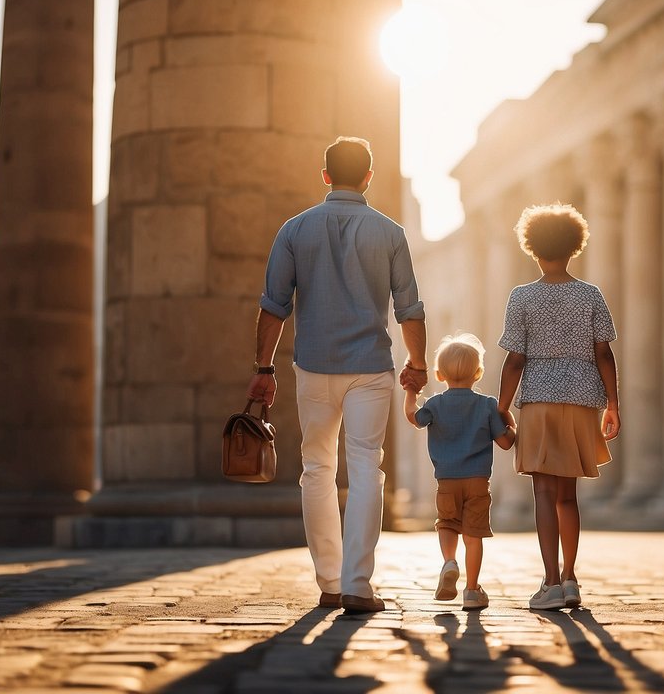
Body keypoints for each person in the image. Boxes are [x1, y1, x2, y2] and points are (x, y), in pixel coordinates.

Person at [247, 136, 428, 615]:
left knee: (316, 468)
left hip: (313, 366)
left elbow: (273, 308)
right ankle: (357, 584)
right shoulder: (390, 233)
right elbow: (410, 310)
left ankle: (328, 581)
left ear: (324, 175)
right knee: (367, 466)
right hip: (370, 367)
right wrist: (419, 363)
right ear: (369, 177)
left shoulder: (294, 229)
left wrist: (263, 369)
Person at [496, 203, 621, 611]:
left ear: (532, 249)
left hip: (539, 402)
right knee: (568, 496)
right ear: (575, 247)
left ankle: (549, 580)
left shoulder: (522, 297)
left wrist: (502, 406)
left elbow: (514, 359)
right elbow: (604, 354)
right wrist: (612, 404)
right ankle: (570, 579)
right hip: (583, 400)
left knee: (544, 494)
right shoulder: (590, 295)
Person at [403, 334, 516, 611]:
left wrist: (411, 393)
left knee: (447, 523)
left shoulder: (435, 404)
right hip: (478, 481)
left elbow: (413, 417)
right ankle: (472, 589)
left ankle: (449, 562)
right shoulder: (488, 405)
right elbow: (505, 442)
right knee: (473, 534)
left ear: (440, 375)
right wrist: (510, 422)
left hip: (446, 481)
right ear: (478, 373)